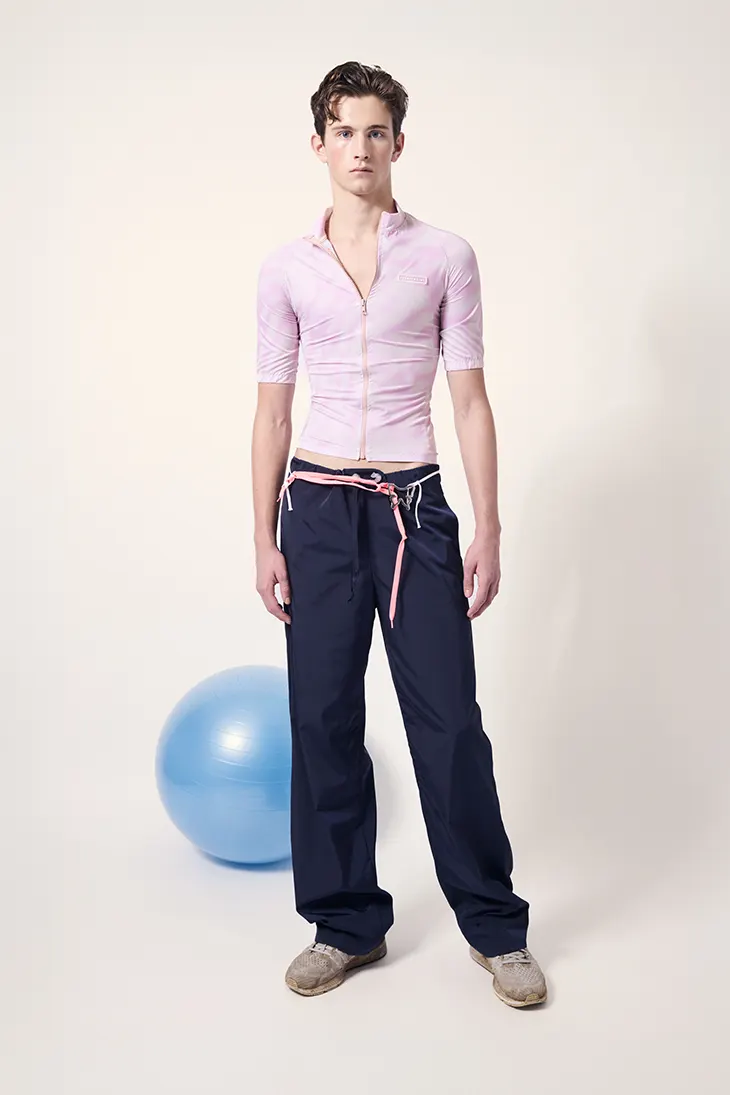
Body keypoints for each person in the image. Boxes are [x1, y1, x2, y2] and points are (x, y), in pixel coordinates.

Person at [251, 61, 547, 1008]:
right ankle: (345, 923)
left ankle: (496, 927)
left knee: (449, 721)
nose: (360, 148)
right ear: (319, 144)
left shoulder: (446, 257)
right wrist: (262, 536)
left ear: (398, 144)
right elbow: (272, 412)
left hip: (414, 508)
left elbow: (471, 401)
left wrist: (488, 526)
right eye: (344, 131)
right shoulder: (286, 269)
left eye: (376, 131)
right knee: (322, 718)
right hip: (316, 510)